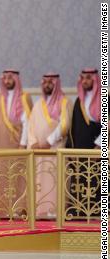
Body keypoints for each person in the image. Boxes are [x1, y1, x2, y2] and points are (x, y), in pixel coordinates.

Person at [0, 70, 32, 218]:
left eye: (10, 78)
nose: (7, 80)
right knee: (0, 175)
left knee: (17, 176)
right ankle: (1, 209)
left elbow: (27, 123)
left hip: (16, 144)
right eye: (5, 78)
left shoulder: (24, 98)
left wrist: (23, 143)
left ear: (16, 79)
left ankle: (18, 209)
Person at [27, 73, 72, 218]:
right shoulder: (38, 104)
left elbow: (65, 125)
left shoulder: (65, 102)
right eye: (45, 82)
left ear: (56, 84)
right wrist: (33, 142)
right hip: (38, 152)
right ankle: (40, 211)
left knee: (54, 180)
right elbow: (31, 125)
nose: (47, 85)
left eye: (50, 82)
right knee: (40, 180)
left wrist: (49, 141)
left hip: (54, 150)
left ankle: (55, 211)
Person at [65, 68, 102, 217]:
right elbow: (73, 126)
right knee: (80, 183)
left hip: (96, 151)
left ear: (95, 79)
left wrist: (99, 146)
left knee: (96, 181)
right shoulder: (78, 101)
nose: (85, 81)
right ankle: (79, 212)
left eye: (88, 78)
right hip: (79, 152)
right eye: (83, 78)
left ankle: (97, 212)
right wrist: (71, 149)